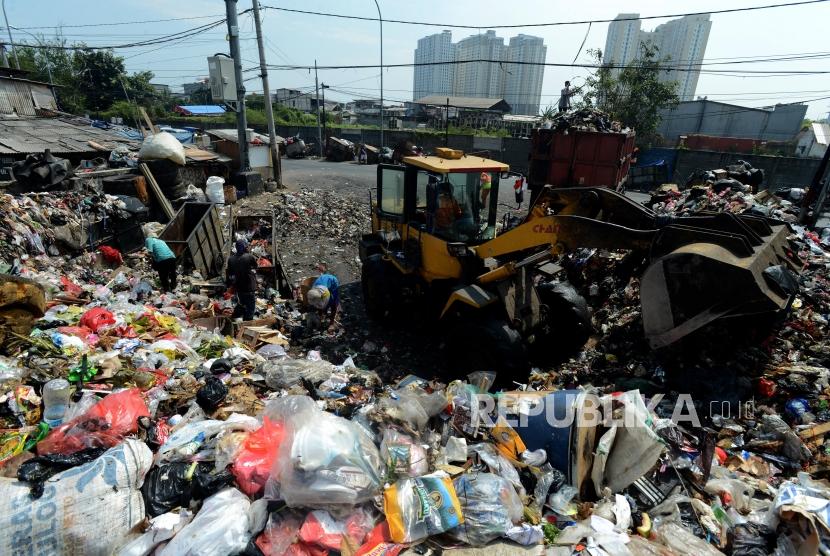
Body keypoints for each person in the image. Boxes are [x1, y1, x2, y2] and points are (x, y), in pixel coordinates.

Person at [226, 239, 258, 321]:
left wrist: (231, 285)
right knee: (250, 306)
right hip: (249, 286)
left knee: (242, 302)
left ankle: (235, 316)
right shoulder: (249, 256)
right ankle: (247, 323)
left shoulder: (231, 259)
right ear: (244, 247)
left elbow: (230, 274)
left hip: (239, 287)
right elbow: (255, 266)